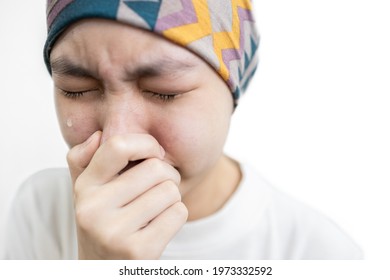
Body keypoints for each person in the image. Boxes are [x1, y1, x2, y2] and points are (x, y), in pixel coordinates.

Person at [4, 0, 362, 259]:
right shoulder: (40, 211)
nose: (119, 138)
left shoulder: (317, 255)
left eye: (164, 92)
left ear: (232, 90)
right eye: (76, 89)